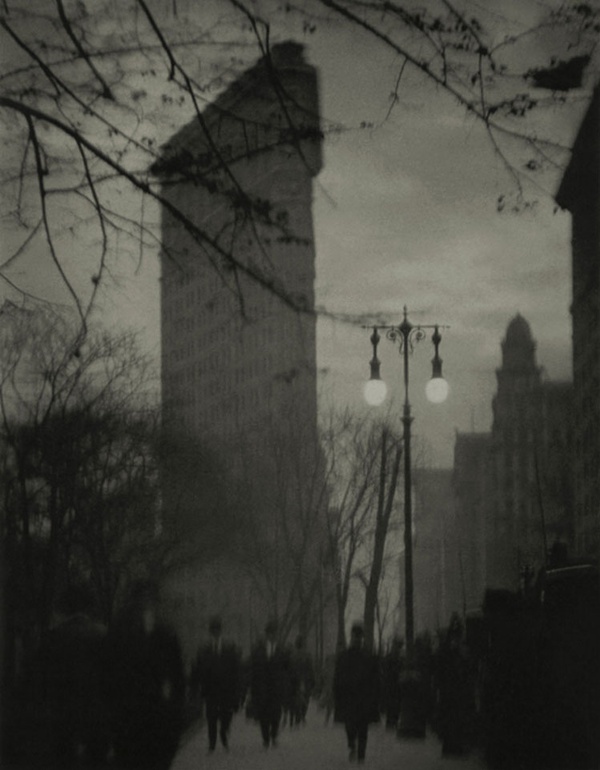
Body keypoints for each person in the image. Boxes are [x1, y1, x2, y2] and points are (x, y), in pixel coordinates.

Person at [106, 581, 185, 770]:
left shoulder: (116, 629)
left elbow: (107, 677)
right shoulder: (166, 631)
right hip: (156, 721)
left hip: (126, 722)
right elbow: (177, 681)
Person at [30, 583, 110, 768]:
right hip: (96, 719)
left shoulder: (52, 638)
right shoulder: (104, 635)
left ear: (65, 607)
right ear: (90, 606)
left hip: (62, 718)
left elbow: (39, 682)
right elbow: (113, 681)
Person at [190, 615, 241, 753]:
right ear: (210, 632)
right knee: (211, 718)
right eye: (213, 630)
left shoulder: (229, 648)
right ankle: (212, 744)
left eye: (217, 630)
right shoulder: (204, 650)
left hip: (226, 690)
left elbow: (236, 671)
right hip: (211, 690)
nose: (216, 633)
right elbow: (198, 669)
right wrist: (195, 688)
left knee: (226, 717)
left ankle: (223, 733)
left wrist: (236, 692)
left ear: (221, 631)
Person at [334, 622, 380, 764]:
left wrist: (374, 696)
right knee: (350, 726)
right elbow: (338, 677)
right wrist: (337, 693)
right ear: (352, 637)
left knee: (363, 728)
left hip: (363, 698)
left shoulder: (368, 657)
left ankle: (361, 755)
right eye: (355, 637)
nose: (357, 640)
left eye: (359, 637)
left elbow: (375, 678)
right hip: (349, 697)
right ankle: (352, 745)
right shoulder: (344, 657)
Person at [249, 619, 291, 749]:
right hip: (262, 688)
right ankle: (266, 738)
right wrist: (253, 687)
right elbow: (253, 669)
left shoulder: (281, 651)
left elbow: (287, 669)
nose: (272, 636)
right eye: (269, 633)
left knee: (276, 714)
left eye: (274, 633)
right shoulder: (258, 650)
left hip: (276, 689)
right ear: (266, 634)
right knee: (263, 715)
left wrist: (286, 687)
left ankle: (274, 735)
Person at [289, 634, 315, 726]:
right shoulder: (307, 655)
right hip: (305, 680)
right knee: (305, 699)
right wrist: (312, 681)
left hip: (295, 680)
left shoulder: (292, 655)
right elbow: (311, 669)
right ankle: (302, 715)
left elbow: (290, 669)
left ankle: (297, 715)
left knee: (296, 698)